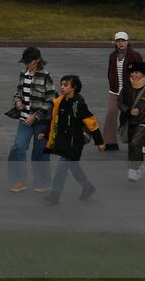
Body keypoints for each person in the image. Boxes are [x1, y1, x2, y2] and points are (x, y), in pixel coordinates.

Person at [39, 75, 104, 204]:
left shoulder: (79, 104)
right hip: (64, 141)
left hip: (75, 142)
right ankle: (87, 187)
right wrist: (45, 133)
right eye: (61, 84)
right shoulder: (60, 102)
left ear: (74, 87)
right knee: (73, 166)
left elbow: (91, 122)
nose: (62, 87)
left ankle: (55, 194)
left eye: (65, 85)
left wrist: (99, 142)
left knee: (62, 167)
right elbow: (54, 120)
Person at [6, 47, 56, 194]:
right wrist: (17, 101)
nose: (27, 65)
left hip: (41, 121)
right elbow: (18, 92)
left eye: (29, 62)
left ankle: (43, 181)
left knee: (39, 151)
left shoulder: (46, 76)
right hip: (24, 119)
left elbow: (51, 100)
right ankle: (19, 180)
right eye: (25, 62)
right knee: (18, 147)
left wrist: (36, 116)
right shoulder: (23, 74)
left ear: (37, 60)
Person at [104, 32, 144, 151]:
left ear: (127, 42)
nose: (120, 43)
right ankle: (110, 142)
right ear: (115, 43)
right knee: (111, 113)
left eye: (123, 40)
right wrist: (112, 83)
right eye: (118, 41)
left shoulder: (135, 55)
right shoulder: (112, 56)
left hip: (131, 90)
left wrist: (136, 85)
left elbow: (141, 72)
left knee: (138, 115)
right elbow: (110, 71)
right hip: (115, 90)